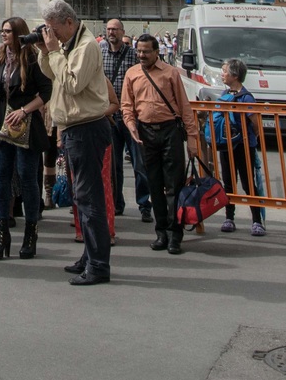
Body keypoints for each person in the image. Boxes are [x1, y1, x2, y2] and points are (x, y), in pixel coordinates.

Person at [38, 0, 115, 285]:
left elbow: (72, 83)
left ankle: (98, 266)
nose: (51, 34)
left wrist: (55, 51)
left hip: (87, 129)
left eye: (54, 28)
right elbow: (51, 74)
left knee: (88, 197)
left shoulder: (86, 47)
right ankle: (89, 255)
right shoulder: (68, 46)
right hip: (72, 129)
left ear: (68, 22)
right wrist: (45, 52)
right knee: (80, 198)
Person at [120, 34, 203, 254]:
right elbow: (127, 105)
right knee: (154, 184)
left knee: (174, 184)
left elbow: (184, 107)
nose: (141, 55)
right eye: (139, 51)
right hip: (145, 133)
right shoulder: (132, 74)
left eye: (146, 51)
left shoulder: (170, 73)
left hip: (170, 132)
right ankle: (161, 232)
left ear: (157, 52)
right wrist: (131, 125)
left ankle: (176, 233)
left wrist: (192, 139)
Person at [0, 17, 50, 261]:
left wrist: (24, 110)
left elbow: (46, 92)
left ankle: (30, 233)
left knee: (27, 178)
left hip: (26, 124)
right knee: (0, 177)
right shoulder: (0, 56)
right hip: (2, 123)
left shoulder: (32, 59)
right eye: (2, 30)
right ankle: (2, 235)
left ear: (18, 33)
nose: (3, 34)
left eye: (8, 31)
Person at [99, 19, 149, 222]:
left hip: (131, 118)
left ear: (122, 32)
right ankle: (116, 203)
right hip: (109, 117)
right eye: (109, 29)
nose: (112, 32)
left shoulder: (133, 55)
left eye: (115, 29)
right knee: (113, 166)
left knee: (139, 164)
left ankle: (145, 204)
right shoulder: (99, 52)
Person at [216, 58, 267, 237]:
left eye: (225, 71)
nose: (222, 74)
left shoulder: (247, 97)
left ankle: (256, 220)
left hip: (244, 146)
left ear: (235, 75)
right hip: (226, 145)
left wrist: (250, 138)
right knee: (228, 182)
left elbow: (255, 123)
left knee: (248, 183)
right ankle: (229, 217)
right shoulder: (223, 95)